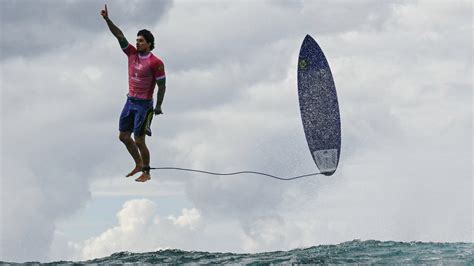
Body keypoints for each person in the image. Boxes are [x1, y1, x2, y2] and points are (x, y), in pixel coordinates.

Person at [100, 4, 166, 182]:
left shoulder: (156, 62)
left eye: (141, 41)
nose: (137, 43)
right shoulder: (131, 54)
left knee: (139, 140)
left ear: (150, 44)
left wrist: (158, 106)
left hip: (144, 106)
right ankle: (138, 163)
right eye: (137, 40)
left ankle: (147, 171)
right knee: (123, 136)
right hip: (130, 102)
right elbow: (119, 35)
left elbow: (162, 86)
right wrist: (107, 20)